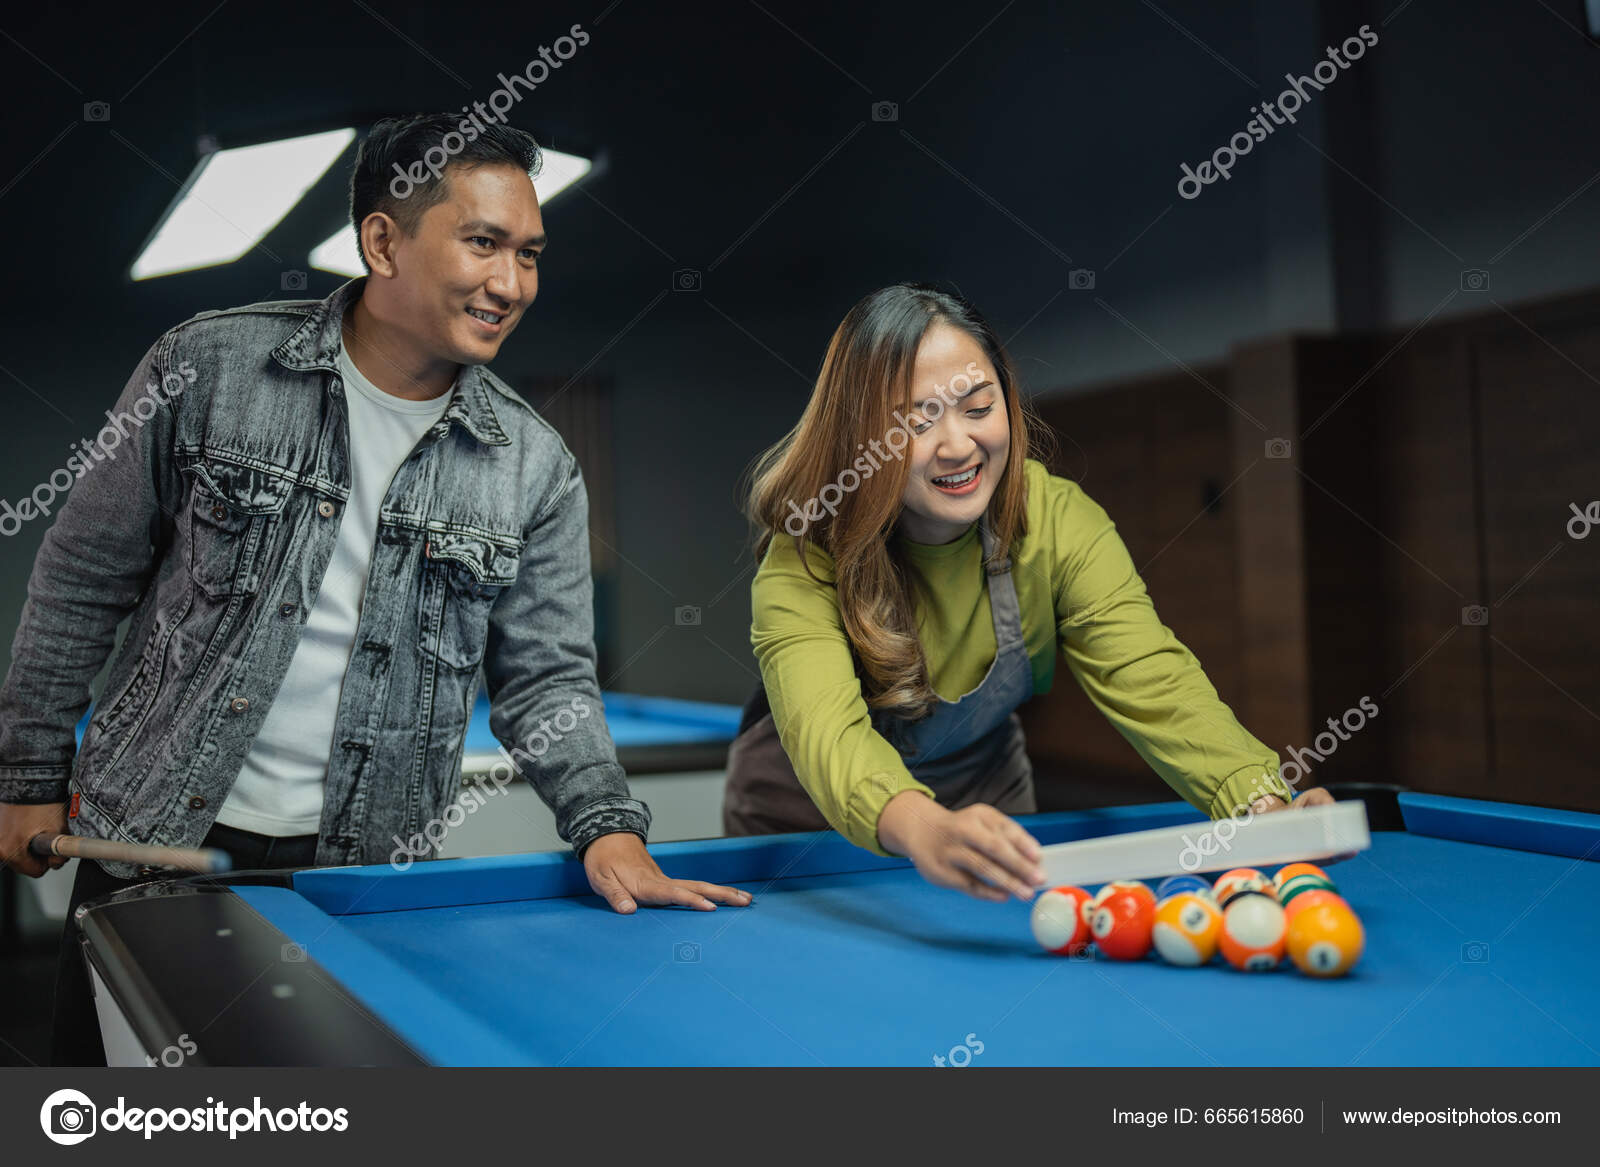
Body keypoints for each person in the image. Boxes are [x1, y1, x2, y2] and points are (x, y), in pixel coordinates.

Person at [0, 113, 748, 1066]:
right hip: (151, 840)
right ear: (383, 240)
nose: (511, 283)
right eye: (483, 242)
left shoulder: (537, 465)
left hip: (365, 871)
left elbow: (549, 682)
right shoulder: (209, 366)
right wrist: (23, 776)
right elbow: (79, 579)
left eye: (529, 253)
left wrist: (605, 824)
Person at [722, 283, 1331, 902]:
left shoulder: (1056, 520)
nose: (958, 446)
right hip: (808, 828)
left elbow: (1152, 676)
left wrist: (1258, 802)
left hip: (987, 806)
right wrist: (926, 826)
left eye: (978, 408)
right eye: (915, 421)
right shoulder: (802, 555)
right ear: (860, 437)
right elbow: (828, 737)